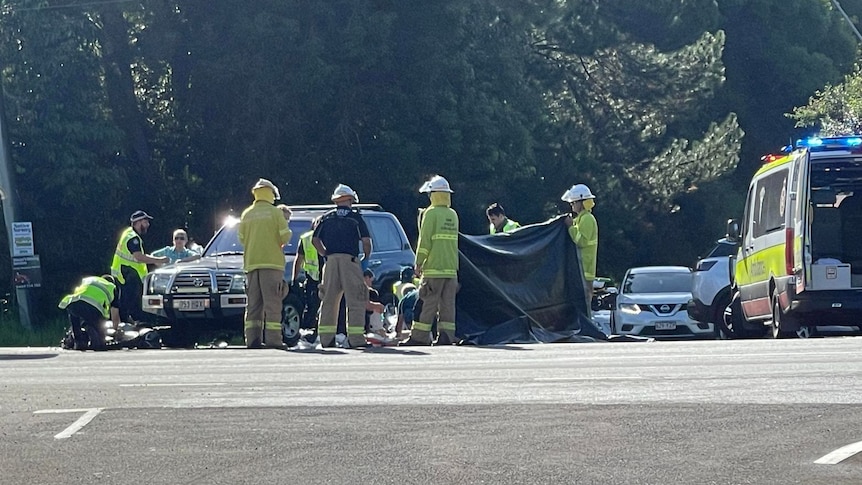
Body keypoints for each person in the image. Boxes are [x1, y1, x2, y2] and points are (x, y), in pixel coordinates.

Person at [312, 183, 371, 348]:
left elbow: (315, 240)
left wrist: (325, 254)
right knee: (356, 299)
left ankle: (326, 339)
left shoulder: (326, 217)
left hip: (330, 262)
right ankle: (356, 339)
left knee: (329, 300)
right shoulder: (355, 217)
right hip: (350, 261)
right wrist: (365, 257)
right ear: (350, 199)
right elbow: (366, 242)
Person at [237, 178, 292, 349]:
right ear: (270, 193)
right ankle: (273, 340)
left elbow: (241, 238)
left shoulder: (247, 213)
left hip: (251, 264)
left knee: (253, 304)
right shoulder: (275, 213)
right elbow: (285, 236)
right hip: (272, 263)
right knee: (273, 303)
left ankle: (252, 340)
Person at [406, 175, 460, 346]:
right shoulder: (452, 214)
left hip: (434, 268)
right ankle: (446, 336)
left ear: (434, 194)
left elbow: (425, 241)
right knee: (447, 305)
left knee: (428, 302)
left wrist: (418, 262)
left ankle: (419, 337)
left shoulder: (430, 213)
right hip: (451, 269)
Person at [111, 210, 169, 323]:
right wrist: (158, 260)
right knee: (130, 303)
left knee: (125, 302)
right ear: (138, 222)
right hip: (128, 274)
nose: (148, 224)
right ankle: (131, 326)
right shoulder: (133, 238)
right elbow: (138, 257)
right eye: (145, 221)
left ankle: (127, 324)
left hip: (124, 272)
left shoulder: (128, 233)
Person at [58, 275, 121, 351]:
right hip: (93, 309)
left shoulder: (88, 280)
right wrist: (115, 331)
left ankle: (78, 341)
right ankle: (90, 329)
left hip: (74, 302)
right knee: (100, 343)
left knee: (74, 314)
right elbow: (115, 316)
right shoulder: (112, 287)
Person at [561, 183, 599, 309]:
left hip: (585, 269)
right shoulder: (581, 218)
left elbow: (581, 241)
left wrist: (570, 227)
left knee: (584, 301)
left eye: (574, 203)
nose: (572, 205)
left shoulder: (587, 219)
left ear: (582, 202)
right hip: (581, 268)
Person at [291, 216, 323, 335]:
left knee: (313, 306)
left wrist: (294, 279)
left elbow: (298, 260)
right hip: (317, 277)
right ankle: (311, 331)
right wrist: (294, 278)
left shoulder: (306, 238)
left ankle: (312, 331)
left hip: (316, 277)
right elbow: (298, 259)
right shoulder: (308, 238)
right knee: (314, 306)